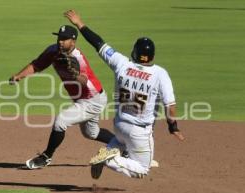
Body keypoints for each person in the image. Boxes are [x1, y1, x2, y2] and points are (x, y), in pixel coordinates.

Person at [64, 10, 185, 179]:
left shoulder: (121, 63)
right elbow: (170, 106)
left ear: (134, 52)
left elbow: (98, 43)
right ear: (152, 57)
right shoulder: (160, 74)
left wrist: (79, 23)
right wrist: (173, 127)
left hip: (119, 126)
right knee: (143, 168)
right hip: (139, 132)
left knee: (120, 143)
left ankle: (108, 151)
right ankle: (110, 160)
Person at [9, 25, 114, 169]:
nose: (60, 41)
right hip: (83, 99)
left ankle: (46, 157)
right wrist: (19, 76)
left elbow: (84, 80)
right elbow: (36, 65)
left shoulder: (78, 58)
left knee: (61, 121)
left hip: (92, 99)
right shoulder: (53, 51)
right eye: (59, 37)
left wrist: (75, 74)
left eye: (64, 39)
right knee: (91, 133)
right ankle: (123, 145)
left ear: (73, 41)